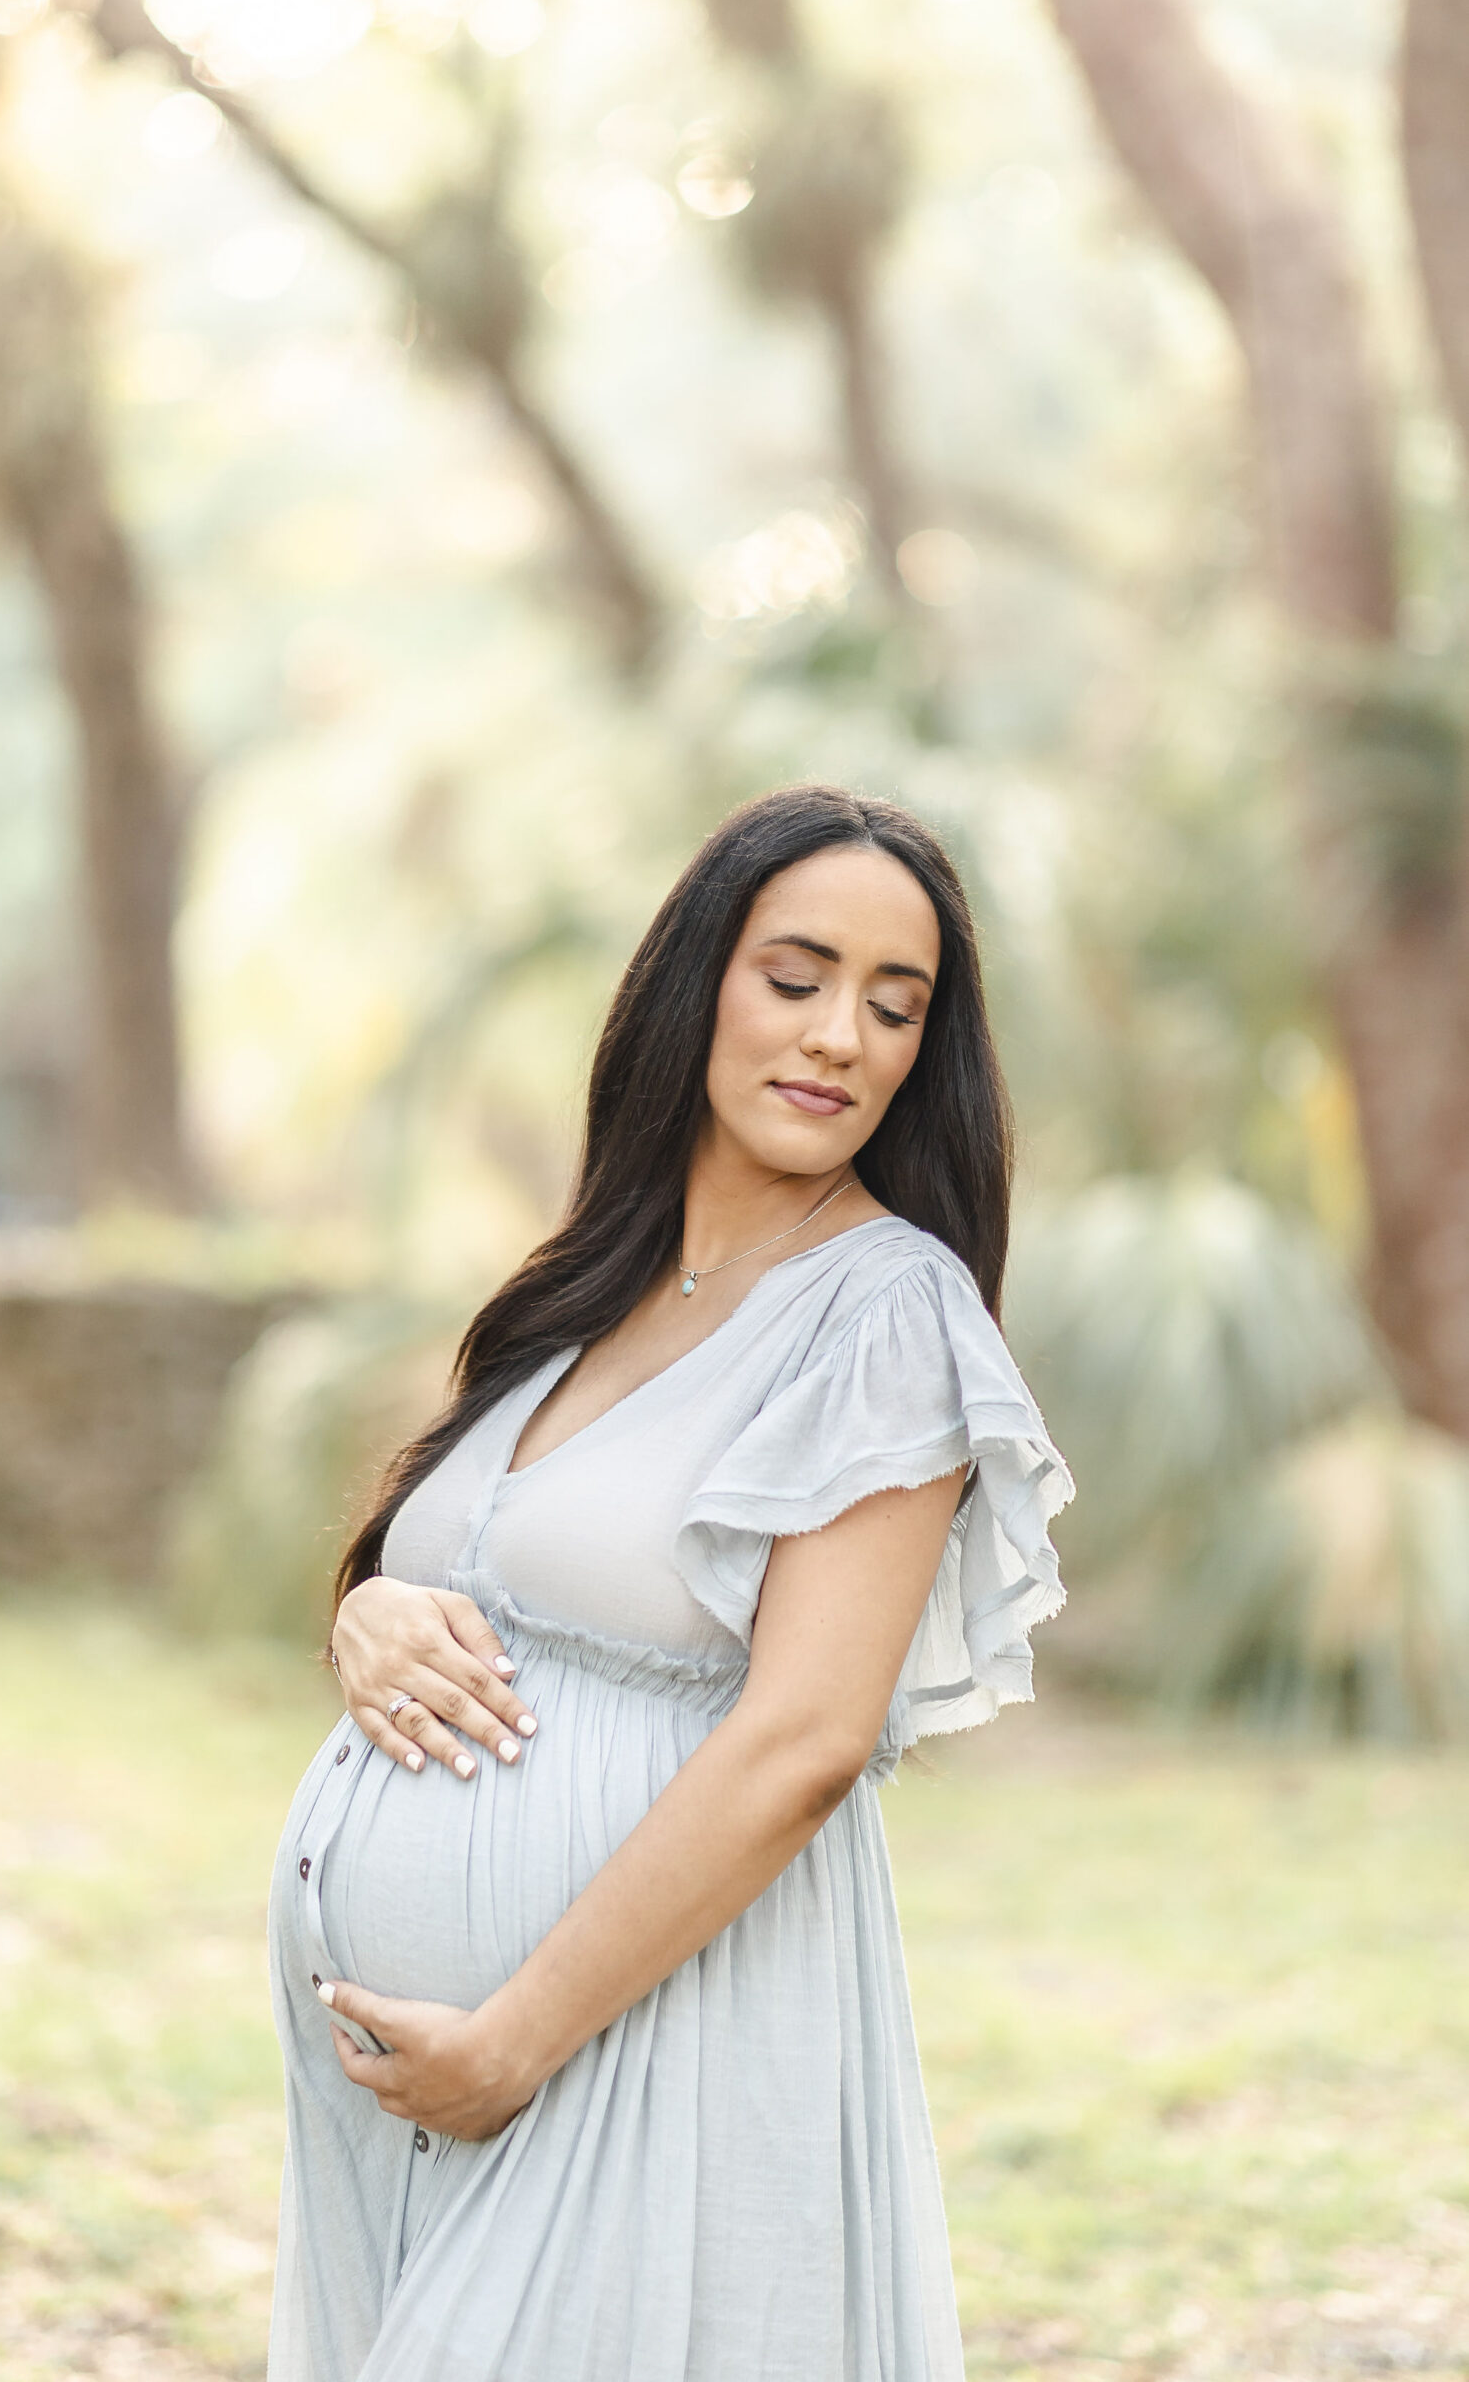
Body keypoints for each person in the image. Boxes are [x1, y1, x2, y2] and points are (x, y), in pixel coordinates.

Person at [267, 783, 1073, 2382]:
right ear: (696, 979)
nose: (841, 1035)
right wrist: (364, 1613)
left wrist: (511, 2041)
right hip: (406, 2096)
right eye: (797, 977)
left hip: (640, 2040)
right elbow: (471, 1560)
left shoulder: (885, 1315)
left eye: (893, 1006)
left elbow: (806, 1739)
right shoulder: (593, 1281)